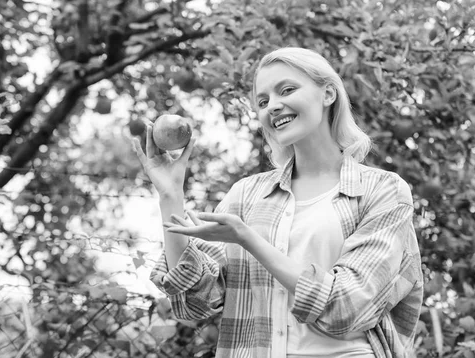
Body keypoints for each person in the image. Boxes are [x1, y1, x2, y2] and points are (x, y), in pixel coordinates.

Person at [132, 47, 423, 358]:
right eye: (262, 101)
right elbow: (193, 302)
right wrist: (170, 195)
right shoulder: (247, 195)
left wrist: (249, 239)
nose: (272, 106)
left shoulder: (383, 190)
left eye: (287, 90)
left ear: (327, 94)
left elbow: (349, 306)